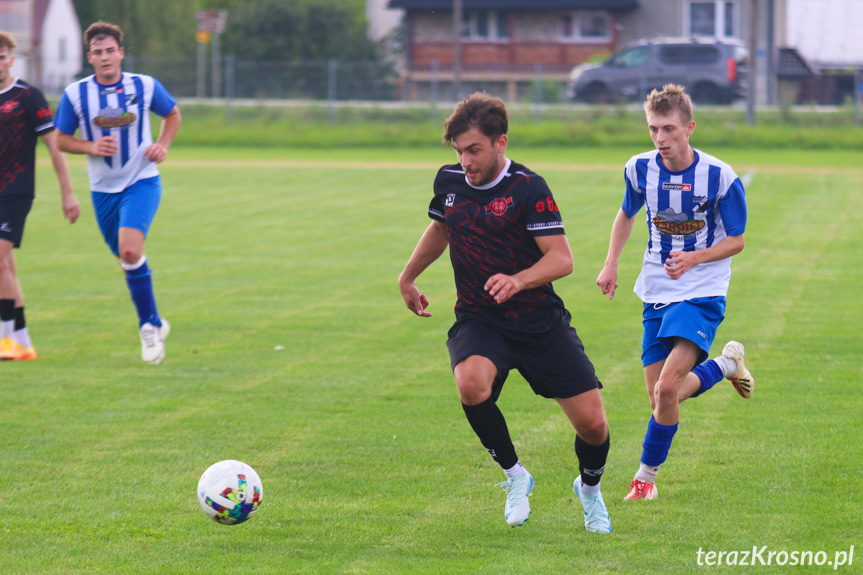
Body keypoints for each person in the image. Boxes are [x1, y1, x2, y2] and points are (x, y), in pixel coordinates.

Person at [399, 93, 612, 533]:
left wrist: (518, 279)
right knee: (471, 383)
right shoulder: (449, 181)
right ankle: (516, 477)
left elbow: (562, 259)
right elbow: (441, 227)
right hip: (481, 318)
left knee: (593, 425)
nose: (465, 161)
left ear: (500, 142)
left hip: (538, 321)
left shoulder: (528, 187)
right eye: (458, 151)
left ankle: (589, 490)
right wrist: (408, 277)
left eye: (473, 149)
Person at [596, 84, 754, 501]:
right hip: (655, 286)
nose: (660, 138)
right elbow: (626, 214)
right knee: (660, 398)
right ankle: (725, 367)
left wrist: (694, 259)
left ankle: (645, 479)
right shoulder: (639, 168)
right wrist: (611, 262)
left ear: (689, 128)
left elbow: (736, 240)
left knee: (667, 390)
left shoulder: (720, 176)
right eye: (653, 129)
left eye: (668, 129)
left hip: (702, 288)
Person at [55, 21, 181, 364]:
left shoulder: (143, 85)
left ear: (121, 53)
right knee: (126, 261)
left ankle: (147, 330)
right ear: (89, 57)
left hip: (142, 181)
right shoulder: (75, 94)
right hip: (102, 192)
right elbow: (62, 139)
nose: (106, 56)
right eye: (98, 52)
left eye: (111, 50)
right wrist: (92, 146)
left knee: (129, 250)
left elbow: (172, 114)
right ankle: (155, 319)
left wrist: (162, 145)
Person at [0, 31, 80, 361]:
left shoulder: (28, 96)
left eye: (2, 56)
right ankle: (22, 341)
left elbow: (55, 146)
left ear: (11, 59)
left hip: (16, 190)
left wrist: (68, 193)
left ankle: (5, 338)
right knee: (5, 266)